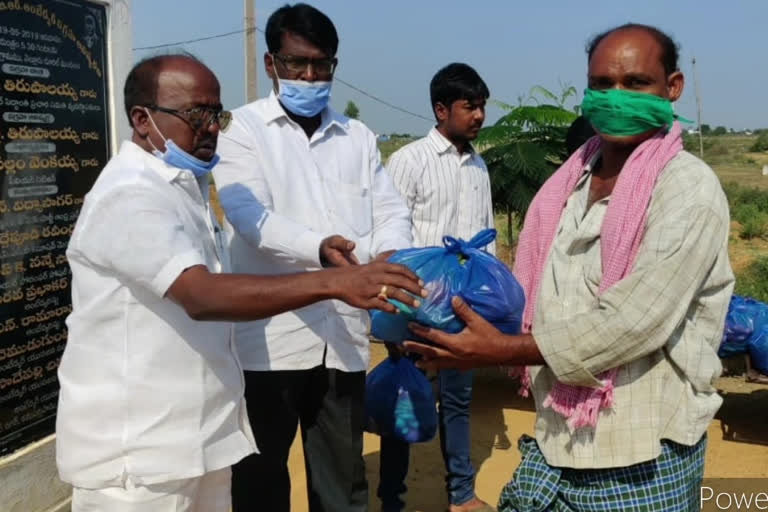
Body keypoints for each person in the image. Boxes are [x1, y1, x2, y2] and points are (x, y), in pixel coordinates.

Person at [56, 53, 425, 512]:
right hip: (140, 458)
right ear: (142, 119)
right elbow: (201, 294)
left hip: (197, 441)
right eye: (197, 114)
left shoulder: (182, 186)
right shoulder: (131, 193)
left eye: (217, 114)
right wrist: (334, 282)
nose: (212, 127)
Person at [403, 24, 734, 512]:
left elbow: (633, 321)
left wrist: (498, 349)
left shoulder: (687, 187)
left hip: (641, 450)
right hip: (557, 437)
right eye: (601, 85)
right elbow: (536, 292)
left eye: (636, 83)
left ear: (673, 87)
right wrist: (448, 323)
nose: (615, 97)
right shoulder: (567, 184)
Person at [211, 4, 414, 511]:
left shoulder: (358, 137)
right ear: (270, 63)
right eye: (296, 63)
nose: (309, 76)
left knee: (342, 484)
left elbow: (391, 209)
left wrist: (389, 251)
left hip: (343, 339)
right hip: (269, 344)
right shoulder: (242, 130)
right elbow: (247, 214)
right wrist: (319, 248)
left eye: (321, 65)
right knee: (260, 482)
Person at [379, 63, 496, 512]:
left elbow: (485, 234)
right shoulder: (409, 161)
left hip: (463, 308)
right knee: (404, 400)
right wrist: (401, 304)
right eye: (470, 106)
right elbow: (391, 233)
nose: (479, 115)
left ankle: (461, 494)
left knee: (458, 398)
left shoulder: (478, 166)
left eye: (482, 106)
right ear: (441, 109)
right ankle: (393, 498)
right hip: (415, 306)